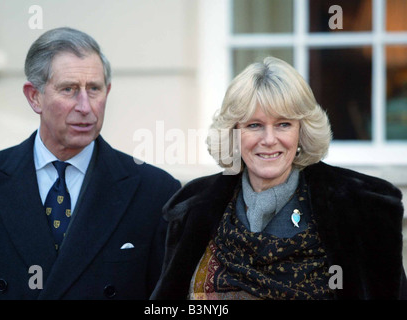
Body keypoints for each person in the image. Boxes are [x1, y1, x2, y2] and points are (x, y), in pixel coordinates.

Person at [151, 57, 407, 300]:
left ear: (302, 131)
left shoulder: (363, 207)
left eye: (284, 124)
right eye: (254, 125)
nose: (269, 139)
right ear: (234, 133)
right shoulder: (194, 206)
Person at [0, 27, 181, 299]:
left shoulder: (155, 191)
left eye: (94, 89)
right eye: (68, 89)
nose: (85, 106)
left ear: (108, 91)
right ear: (34, 97)